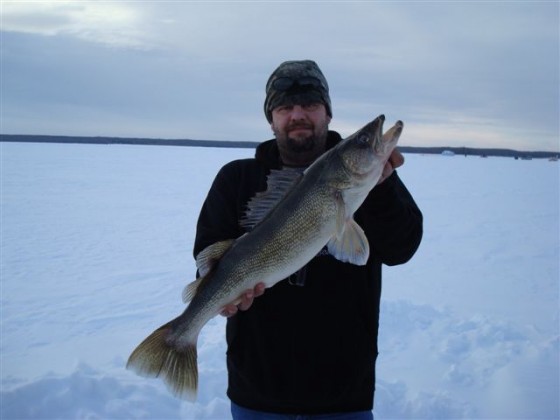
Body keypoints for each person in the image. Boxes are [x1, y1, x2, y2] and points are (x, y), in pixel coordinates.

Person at [193, 60, 423, 419]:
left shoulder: (371, 183)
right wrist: (221, 296)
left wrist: (381, 188)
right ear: (272, 119)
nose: (298, 114)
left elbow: (401, 248)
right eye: (285, 107)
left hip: (343, 395)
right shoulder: (235, 179)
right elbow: (208, 261)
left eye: (310, 105)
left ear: (328, 114)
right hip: (257, 391)